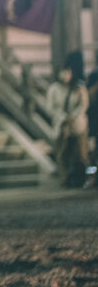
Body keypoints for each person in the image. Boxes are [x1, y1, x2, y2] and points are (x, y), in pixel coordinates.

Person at [47, 52, 90, 188]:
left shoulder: (79, 88)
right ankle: (65, 180)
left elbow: (83, 105)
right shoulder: (54, 89)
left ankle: (82, 179)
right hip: (62, 125)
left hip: (78, 125)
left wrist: (73, 117)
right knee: (62, 154)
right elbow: (50, 107)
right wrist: (64, 118)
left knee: (81, 154)